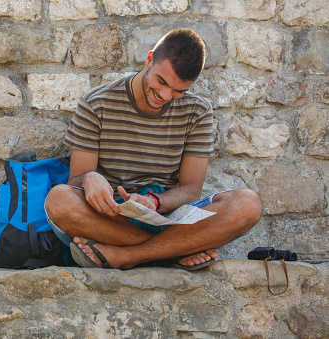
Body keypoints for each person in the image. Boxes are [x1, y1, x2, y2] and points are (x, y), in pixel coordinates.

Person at [44, 28, 262, 270]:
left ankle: (128, 256)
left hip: (168, 217)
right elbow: (75, 182)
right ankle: (172, 252)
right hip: (110, 220)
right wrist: (89, 178)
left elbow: (191, 191)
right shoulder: (96, 103)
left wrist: (155, 202)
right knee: (60, 200)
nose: (166, 95)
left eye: (180, 91)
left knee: (247, 204)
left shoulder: (197, 111)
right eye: (161, 81)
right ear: (149, 60)